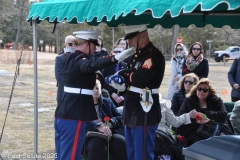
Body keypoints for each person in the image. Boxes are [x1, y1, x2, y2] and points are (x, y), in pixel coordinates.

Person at [54, 30, 135, 160]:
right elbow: (91, 64)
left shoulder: (69, 58)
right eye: (94, 45)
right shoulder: (80, 60)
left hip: (64, 115)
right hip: (74, 117)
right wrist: (115, 58)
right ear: (87, 45)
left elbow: (92, 62)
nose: (96, 49)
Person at [111, 24, 165, 160]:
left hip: (144, 108)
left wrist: (124, 76)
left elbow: (139, 78)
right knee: (131, 151)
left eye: (131, 38)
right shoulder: (137, 55)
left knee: (142, 153)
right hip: (131, 107)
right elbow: (129, 74)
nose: (129, 42)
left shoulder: (153, 56)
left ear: (142, 35)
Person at [84, 80, 127, 160]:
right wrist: (98, 126)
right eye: (92, 88)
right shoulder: (83, 103)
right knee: (98, 145)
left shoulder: (107, 102)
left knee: (121, 142)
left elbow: (120, 117)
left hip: (109, 133)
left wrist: (110, 123)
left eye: (97, 88)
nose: (95, 91)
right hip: (90, 134)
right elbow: (82, 121)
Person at [177, 78, 227, 146]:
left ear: (209, 92)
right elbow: (180, 117)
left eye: (205, 90)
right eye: (199, 89)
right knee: (202, 143)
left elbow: (223, 115)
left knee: (223, 142)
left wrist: (206, 115)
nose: (201, 91)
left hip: (213, 129)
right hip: (193, 129)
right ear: (196, 89)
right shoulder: (189, 100)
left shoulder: (216, 101)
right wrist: (196, 121)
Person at [55, 35, 75, 104]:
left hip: (75, 96)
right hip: (63, 94)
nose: (73, 46)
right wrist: (71, 85)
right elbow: (59, 76)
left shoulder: (78, 58)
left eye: (75, 44)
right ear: (65, 45)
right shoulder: (59, 58)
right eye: (71, 44)